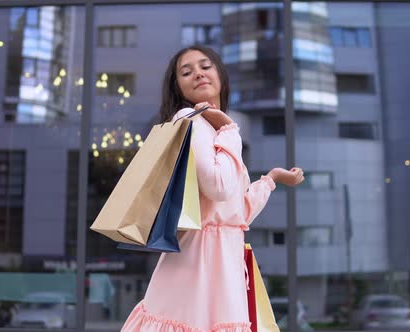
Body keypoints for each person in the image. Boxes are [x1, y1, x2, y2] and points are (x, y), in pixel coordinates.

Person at [122, 45, 305, 332]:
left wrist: (269, 180)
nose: (197, 73)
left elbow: (235, 213)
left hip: (222, 260)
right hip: (199, 259)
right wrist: (230, 130)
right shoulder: (189, 119)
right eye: (186, 71)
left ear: (220, 74)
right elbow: (219, 187)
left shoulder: (215, 129)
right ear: (179, 88)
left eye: (205, 66)